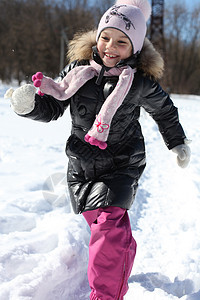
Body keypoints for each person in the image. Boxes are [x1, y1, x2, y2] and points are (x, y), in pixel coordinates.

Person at [5, 0, 191, 299]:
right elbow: (54, 106)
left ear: (136, 48)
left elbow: (165, 111)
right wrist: (30, 107)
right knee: (104, 227)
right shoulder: (77, 71)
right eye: (106, 37)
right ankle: (121, 255)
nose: (110, 47)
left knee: (108, 226)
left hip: (122, 163)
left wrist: (177, 142)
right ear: (97, 35)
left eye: (122, 42)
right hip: (81, 164)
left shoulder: (139, 82)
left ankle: (105, 294)